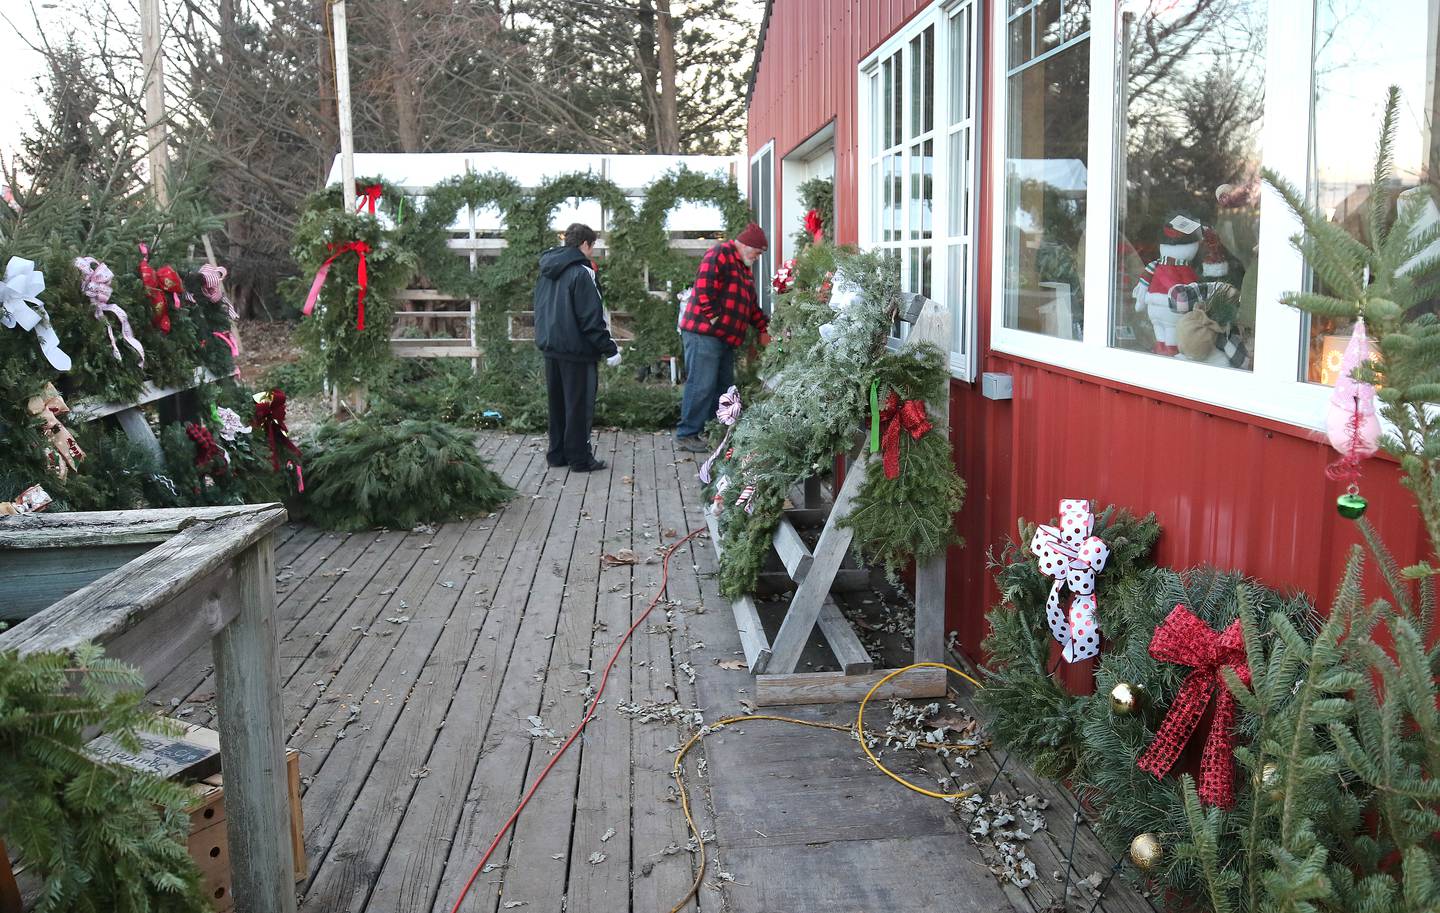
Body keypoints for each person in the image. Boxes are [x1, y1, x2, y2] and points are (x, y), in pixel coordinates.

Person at [675, 222, 771, 452]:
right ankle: (687, 433)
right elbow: (703, 289)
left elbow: (749, 307)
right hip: (705, 335)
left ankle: (713, 433)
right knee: (701, 384)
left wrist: (765, 327)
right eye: (757, 253)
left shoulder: (743, 268)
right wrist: (716, 319)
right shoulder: (719, 253)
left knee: (722, 387)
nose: (757, 258)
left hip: (723, 339)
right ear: (746, 245)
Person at [534, 223, 619, 472]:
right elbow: (591, 318)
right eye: (592, 247)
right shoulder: (582, 272)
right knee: (578, 407)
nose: (592, 252)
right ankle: (580, 458)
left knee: (558, 404)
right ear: (585, 244)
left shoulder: (547, 269)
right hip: (577, 350)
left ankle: (557, 454)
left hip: (551, 346)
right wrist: (609, 348)